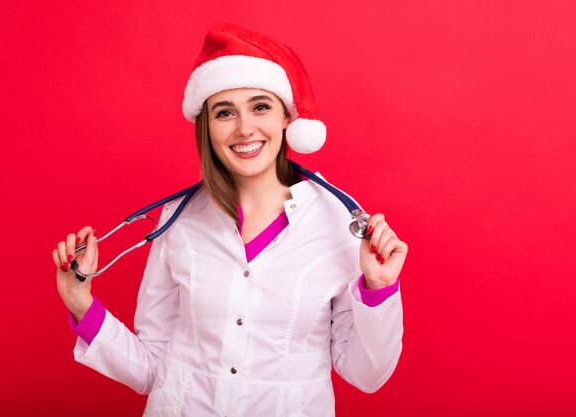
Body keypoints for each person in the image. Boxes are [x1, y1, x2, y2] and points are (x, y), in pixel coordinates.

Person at [52, 23, 408, 417]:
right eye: (225, 112)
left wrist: (378, 289)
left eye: (260, 106)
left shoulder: (338, 224)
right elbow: (152, 368)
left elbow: (366, 374)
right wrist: (80, 303)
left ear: (287, 118)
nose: (244, 129)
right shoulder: (178, 221)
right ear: (208, 126)